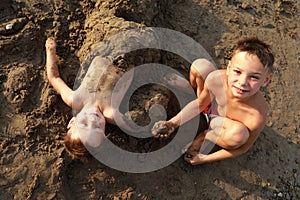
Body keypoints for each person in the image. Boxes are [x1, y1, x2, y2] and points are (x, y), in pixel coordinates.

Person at [152, 37, 274, 165]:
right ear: (229, 68)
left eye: (254, 77)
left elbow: (242, 148)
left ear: (266, 80)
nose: (242, 82)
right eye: (237, 72)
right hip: (208, 103)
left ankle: (206, 136)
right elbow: (200, 104)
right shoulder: (217, 80)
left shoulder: (256, 116)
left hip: (220, 125)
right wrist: (172, 124)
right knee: (201, 66)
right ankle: (190, 90)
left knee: (239, 135)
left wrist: (204, 159)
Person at [45, 37, 135, 160]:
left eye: (84, 123)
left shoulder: (74, 99)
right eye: (97, 128)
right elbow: (135, 126)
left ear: (72, 121)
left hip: (106, 45)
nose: (93, 120)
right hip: (131, 55)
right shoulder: (111, 113)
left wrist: (50, 50)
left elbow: (54, 78)